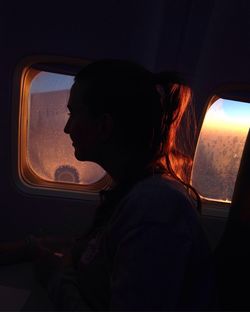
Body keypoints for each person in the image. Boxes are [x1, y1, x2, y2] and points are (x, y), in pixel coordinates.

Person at [1, 59, 217, 311]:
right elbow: (96, 251)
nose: (66, 128)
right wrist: (35, 247)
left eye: (73, 114)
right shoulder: (135, 191)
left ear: (104, 126)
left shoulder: (156, 210)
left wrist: (55, 279)